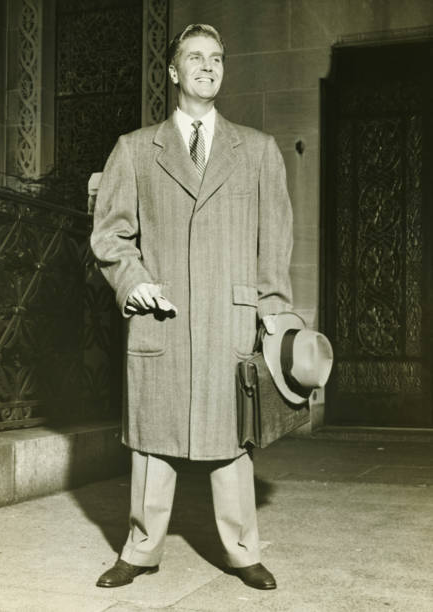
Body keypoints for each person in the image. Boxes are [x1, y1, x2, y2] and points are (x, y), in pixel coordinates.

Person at [90, 23, 293, 591]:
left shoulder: (257, 150)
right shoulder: (134, 149)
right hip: (164, 316)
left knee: (234, 437)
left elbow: (274, 246)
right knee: (153, 437)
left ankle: (242, 549)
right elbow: (110, 237)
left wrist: (275, 317)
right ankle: (141, 550)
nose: (209, 67)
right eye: (196, 58)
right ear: (174, 72)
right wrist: (134, 282)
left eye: (218, 59)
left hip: (231, 316)